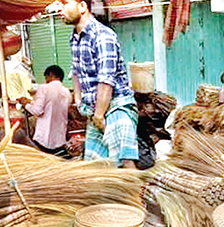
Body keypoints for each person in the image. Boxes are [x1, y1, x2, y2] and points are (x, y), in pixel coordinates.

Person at [59, 0, 139, 168]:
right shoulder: (74, 38)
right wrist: (79, 101)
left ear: (82, 6)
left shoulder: (103, 36)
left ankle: (136, 194)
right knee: (96, 167)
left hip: (117, 106)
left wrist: (99, 115)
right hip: (97, 110)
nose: (60, 9)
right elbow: (76, 71)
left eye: (65, 3)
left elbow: (106, 79)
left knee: (124, 164)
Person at [19, 65, 71, 156]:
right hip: (60, 139)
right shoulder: (67, 92)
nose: (46, 80)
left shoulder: (44, 88)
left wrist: (25, 104)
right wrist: (31, 102)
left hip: (44, 139)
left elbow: (37, 111)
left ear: (50, 75)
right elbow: (50, 105)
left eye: (46, 77)